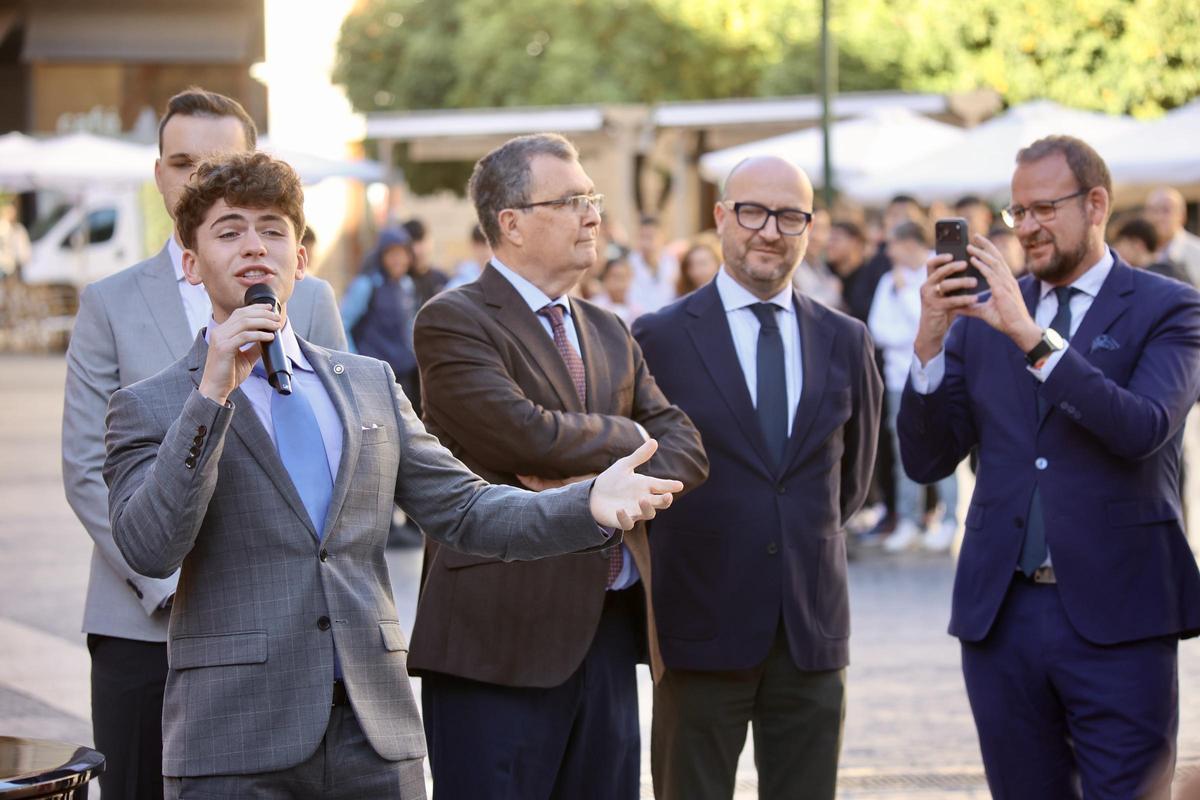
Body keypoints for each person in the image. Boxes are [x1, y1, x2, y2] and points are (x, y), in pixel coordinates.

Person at [103, 150, 684, 799]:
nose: (255, 246)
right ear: (190, 264)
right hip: (236, 738)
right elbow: (150, 547)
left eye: (272, 230)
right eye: (228, 231)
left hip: (375, 736)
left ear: (301, 258)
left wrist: (588, 503)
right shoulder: (151, 405)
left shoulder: (368, 384)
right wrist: (211, 396)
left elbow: (465, 509)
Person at [60, 86, 345, 800]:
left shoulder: (310, 298)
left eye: (219, 162)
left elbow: (336, 450)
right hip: (141, 620)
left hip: (276, 624)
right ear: (159, 173)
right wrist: (163, 581)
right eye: (184, 163)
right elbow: (87, 467)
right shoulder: (109, 301)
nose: (200, 177)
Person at [898, 135, 1200, 799]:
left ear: (1096, 205)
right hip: (1002, 617)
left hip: (1123, 615)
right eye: (1018, 212)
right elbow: (926, 460)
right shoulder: (979, 318)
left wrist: (1032, 339)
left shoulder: (1170, 306)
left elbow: (1142, 428)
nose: (1027, 226)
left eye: (1044, 209)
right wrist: (928, 345)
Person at [409, 133, 708, 800]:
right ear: (511, 222)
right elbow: (526, 436)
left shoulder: (608, 329)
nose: (592, 215)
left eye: (591, 199)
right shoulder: (453, 320)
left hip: (608, 631)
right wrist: (631, 439)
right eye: (571, 201)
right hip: (497, 639)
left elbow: (686, 445)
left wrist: (594, 468)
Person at [633, 156, 882, 800]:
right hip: (698, 625)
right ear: (721, 217)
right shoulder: (658, 338)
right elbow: (640, 472)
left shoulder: (846, 339)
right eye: (752, 212)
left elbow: (852, 478)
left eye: (790, 216)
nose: (770, 231)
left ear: (810, 228)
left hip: (810, 630)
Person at [869, 222, 957, 553]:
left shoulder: (938, 269)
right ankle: (909, 519)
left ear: (908, 243)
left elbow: (934, 326)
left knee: (944, 445)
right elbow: (878, 329)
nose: (888, 252)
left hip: (936, 374)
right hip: (897, 378)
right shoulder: (888, 280)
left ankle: (949, 520)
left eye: (892, 244)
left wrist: (908, 296)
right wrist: (911, 332)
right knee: (902, 449)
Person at [340, 227, 420, 404]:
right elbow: (342, 323)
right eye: (392, 254)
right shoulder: (366, 285)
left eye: (403, 254)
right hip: (374, 376)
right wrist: (354, 362)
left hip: (403, 374)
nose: (398, 260)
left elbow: (408, 326)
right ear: (381, 256)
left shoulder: (406, 285)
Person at [1144, 186, 1200, 286]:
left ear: (1182, 215)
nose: (1158, 217)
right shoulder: (1138, 251)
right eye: (1153, 210)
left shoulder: (1196, 252)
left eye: (1166, 210)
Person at [1112, 216, 1192, 284]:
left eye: (1120, 243)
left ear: (1138, 244)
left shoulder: (1143, 280)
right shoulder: (1178, 269)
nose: (1115, 249)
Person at [628, 214, 679, 312]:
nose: (646, 243)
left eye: (650, 237)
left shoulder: (672, 262)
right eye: (642, 237)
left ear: (662, 236)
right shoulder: (629, 263)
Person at [402, 217, 449, 307]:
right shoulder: (400, 284)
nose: (417, 250)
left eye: (421, 240)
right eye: (412, 243)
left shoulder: (442, 280)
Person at [590, 255, 644, 324]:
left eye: (623, 277)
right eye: (615, 277)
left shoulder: (637, 310)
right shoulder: (595, 307)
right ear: (605, 278)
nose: (619, 283)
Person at [445, 224, 490, 289]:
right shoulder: (460, 281)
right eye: (480, 245)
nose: (486, 251)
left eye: (490, 245)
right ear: (473, 245)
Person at [0, 198, 31, 281]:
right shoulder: (2, 228)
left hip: (17, 267)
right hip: (4, 267)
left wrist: (23, 259)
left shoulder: (19, 228)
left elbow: (25, 247)